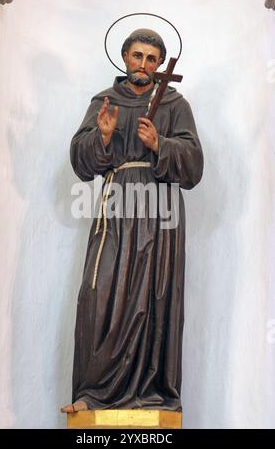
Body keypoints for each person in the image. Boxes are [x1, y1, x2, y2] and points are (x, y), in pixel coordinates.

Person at [61, 28, 203, 413]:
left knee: (153, 296)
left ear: (160, 64)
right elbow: (80, 159)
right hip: (116, 207)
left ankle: (151, 392)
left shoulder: (174, 104)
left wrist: (160, 144)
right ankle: (93, 392)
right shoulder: (105, 102)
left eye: (153, 59)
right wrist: (103, 139)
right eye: (138, 56)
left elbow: (194, 165)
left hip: (160, 214)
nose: (144, 65)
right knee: (101, 290)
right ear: (124, 57)